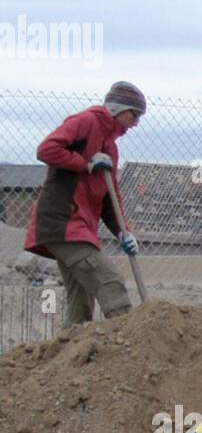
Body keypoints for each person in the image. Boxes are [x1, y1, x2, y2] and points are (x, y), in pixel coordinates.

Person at [24, 80, 145, 327]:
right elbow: (46, 150)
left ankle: (71, 357)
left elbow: (110, 199)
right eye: (135, 114)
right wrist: (86, 164)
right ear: (118, 109)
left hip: (79, 228)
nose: (136, 123)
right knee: (110, 283)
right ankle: (129, 345)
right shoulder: (86, 121)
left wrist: (124, 233)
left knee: (81, 298)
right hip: (63, 223)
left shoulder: (110, 147)